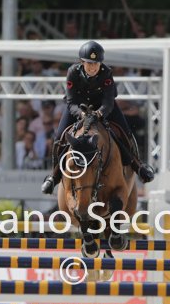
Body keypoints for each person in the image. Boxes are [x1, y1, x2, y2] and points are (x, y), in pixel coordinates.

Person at [40, 41, 154, 194]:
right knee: (59, 137)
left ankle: (138, 166)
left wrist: (99, 113)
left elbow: (108, 102)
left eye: (96, 63)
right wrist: (82, 114)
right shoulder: (72, 72)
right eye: (89, 63)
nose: (93, 67)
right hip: (78, 108)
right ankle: (54, 176)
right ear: (82, 62)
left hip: (103, 108)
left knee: (125, 132)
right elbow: (71, 101)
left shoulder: (106, 72)